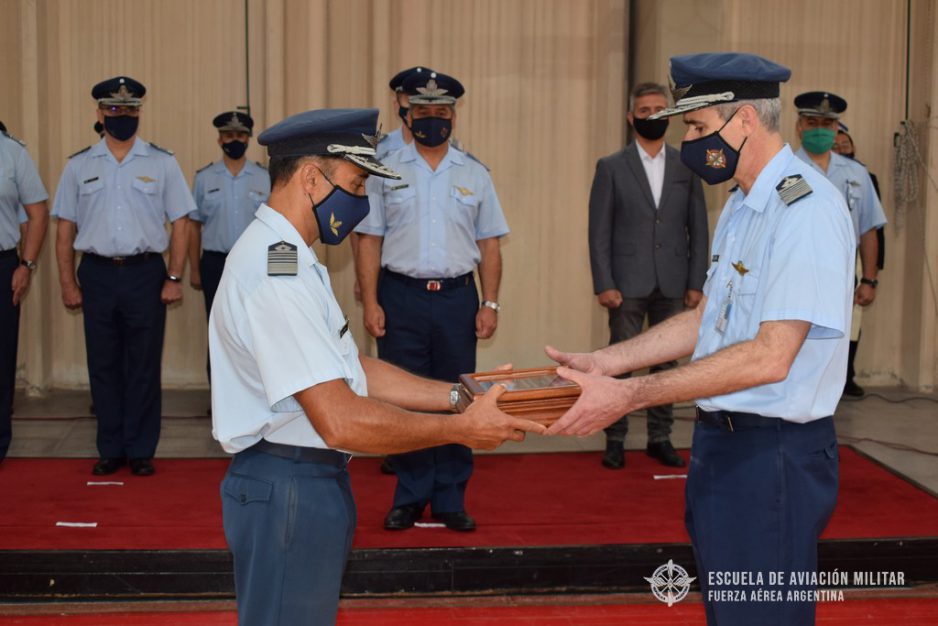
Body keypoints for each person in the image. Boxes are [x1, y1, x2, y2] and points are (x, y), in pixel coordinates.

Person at [546, 52, 854, 625]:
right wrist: (606, 362)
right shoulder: (743, 203)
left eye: (696, 126)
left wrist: (632, 396)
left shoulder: (804, 211)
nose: (686, 139)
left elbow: (770, 356)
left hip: (773, 456)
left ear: (742, 122)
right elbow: (704, 320)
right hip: (725, 447)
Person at [209, 107, 542, 626]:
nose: (362, 202)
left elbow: (351, 366)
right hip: (290, 484)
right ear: (312, 178)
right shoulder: (275, 269)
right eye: (357, 184)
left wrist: (461, 395)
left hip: (306, 480)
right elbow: (340, 417)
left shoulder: (291, 257)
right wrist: (460, 430)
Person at [355, 71, 508, 532]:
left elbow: (491, 245)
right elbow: (368, 240)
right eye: (423, 113)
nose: (433, 121)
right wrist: (370, 302)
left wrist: (491, 304)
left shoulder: (474, 173)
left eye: (442, 113)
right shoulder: (386, 169)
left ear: (454, 117)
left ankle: (450, 497)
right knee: (405, 400)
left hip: (458, 300)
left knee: (460, 397)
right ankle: (410, 494)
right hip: (401, 297)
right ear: (409, 114)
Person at [52, 76, 195, 477]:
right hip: (96, 274)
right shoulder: (78, 165)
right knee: (103, 365)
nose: (122, 116)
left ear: (139, 113)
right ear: (99, 114)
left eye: (130, 109)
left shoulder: (161, 162)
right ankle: (110, 448)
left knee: (144, 365)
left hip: (146, 274)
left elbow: (181, 222)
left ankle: (141, 449)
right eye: (113, 109)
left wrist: (173, 276)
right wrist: (67, 282)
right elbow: (64, 229)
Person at [588, 81, 708, 470]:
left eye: (660, 109)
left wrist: (696, 282)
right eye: (644, 111)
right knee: (619, 363)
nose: (652, 116)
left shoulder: (687, 165)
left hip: (673, 282)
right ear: (631, 117)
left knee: (667, 367)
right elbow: (598, 230)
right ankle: (615, 438)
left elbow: (698, 226)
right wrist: (603, 282)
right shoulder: (611, 166)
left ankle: (660, 437)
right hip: (625, 283)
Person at [792, 91, 887, 398]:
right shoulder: (786, 170)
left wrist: (870, 279)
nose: (820, 129)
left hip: (840, 284)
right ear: (799, 126)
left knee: (832, 361)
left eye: (827, 123)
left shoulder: (856, 174)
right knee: (794, 359)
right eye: (812, 122)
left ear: (836, 129)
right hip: (795, 282)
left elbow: (868, 229)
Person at [188, 111, 269, 382]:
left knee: (256, 329)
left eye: (240, 135)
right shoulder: (204, 178)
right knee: (218, 328)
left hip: (254, 265)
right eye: (228, 135)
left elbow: (276, 227)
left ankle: (255, 391)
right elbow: (193, 225)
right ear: (219, 139)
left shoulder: (264, 177)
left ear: (248, 139)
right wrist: (194, 269)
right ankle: (220, 393)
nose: (234, 140)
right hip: (214, 264)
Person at [0, 124, 49, 463]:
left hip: (3, 265)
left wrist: (26, 265)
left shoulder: (13, 153)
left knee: (1, 359)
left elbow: (37, 212)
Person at [833, 124, 886, 396]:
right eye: (837, 145)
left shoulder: (862, 176)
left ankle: (846, 375)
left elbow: (872, 227)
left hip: (852, 260)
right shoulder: (800, 171)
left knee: (852, 323)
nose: (842, 149)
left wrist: (871, 273)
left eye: (846, 145)